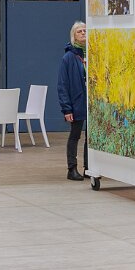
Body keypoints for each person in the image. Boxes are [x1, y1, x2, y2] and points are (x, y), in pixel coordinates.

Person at [56, 22, 88, 182]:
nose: (83, 33)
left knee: (92, 137)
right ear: (73, 36)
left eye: (85, 30)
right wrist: (66, 109)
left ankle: (89, 167)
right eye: (79, 31)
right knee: (75, 135)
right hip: (76, 103)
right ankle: (72, 169)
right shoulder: (68, 58)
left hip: (92, 103)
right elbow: (63, 85)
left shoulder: (93, 53)